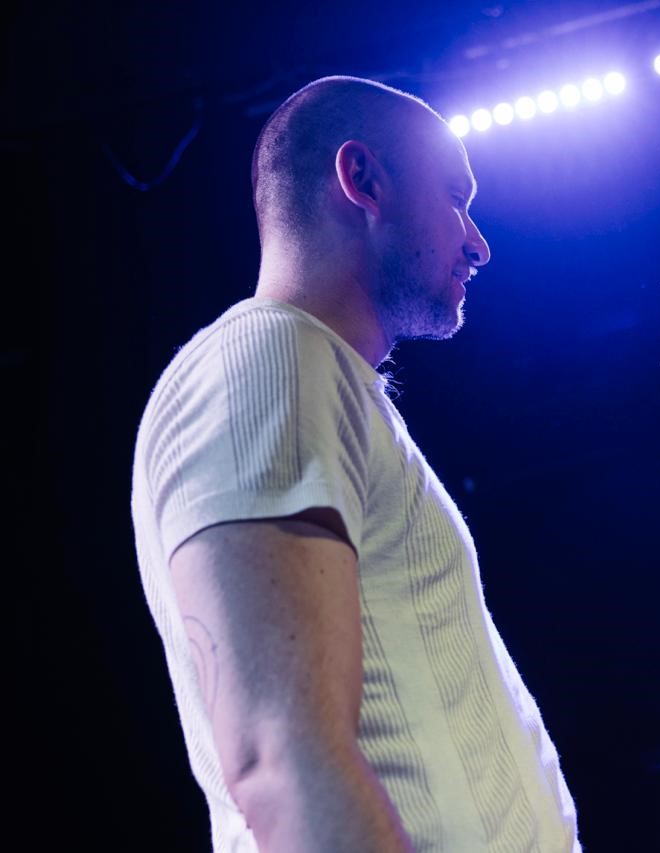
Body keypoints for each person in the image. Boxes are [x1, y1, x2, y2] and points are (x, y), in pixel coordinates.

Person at [130, 76, 579, 852]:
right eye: (455, 198)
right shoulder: (267, 355)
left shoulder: (319, 378)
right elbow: (280, 759)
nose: (478, 243)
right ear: (362, 179)